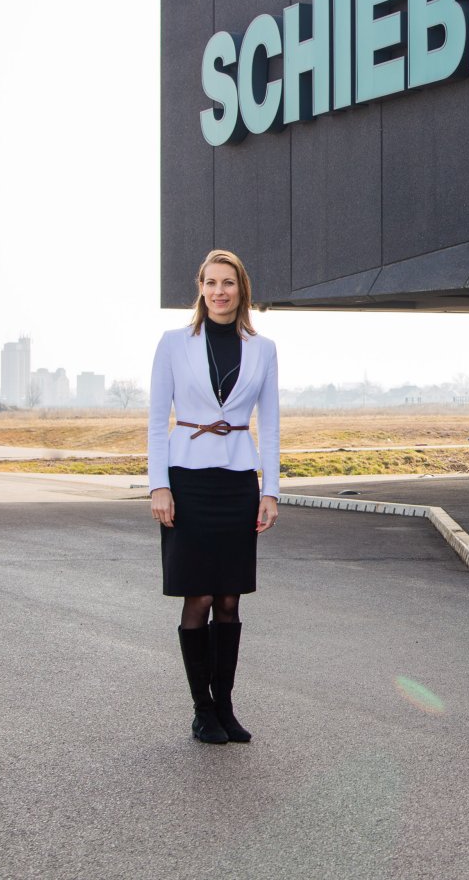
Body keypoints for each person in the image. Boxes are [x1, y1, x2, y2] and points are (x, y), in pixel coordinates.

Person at [148, 249, 280, 744]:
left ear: (242, 289)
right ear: (200, 289)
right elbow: (157, 420)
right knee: (198, 596)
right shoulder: (173, 344)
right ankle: (201, 710)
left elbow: (270, 424)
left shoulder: (263, 349)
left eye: (229, 283)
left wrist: (271, 490)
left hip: (237, 482)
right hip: (187, 480)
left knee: (229, 599)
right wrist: (159, 484)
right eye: (211, 282)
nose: (220, 291)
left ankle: (225, 707)